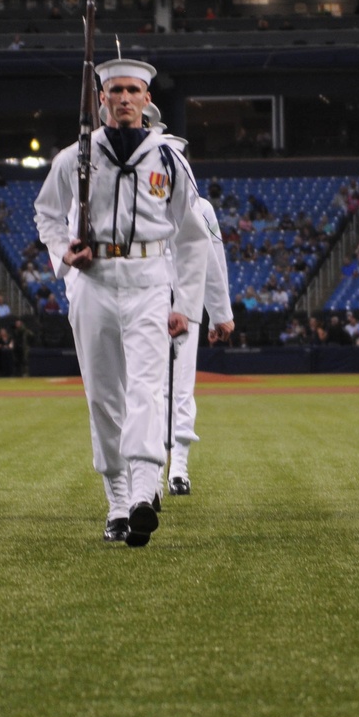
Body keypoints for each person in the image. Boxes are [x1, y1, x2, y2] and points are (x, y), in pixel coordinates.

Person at [34, 57, 210, 547]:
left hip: (150, 280)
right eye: (116, 91)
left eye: (134, 90)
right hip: (94, 283)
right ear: (102, 99)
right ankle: (115, 499)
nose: (125, 99)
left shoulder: (169, 160)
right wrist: (63, 251)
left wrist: (186, 305)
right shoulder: (76, 156)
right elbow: (46, 214)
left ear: (147, 100)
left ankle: (141, 491)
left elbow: (194, 238)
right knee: (104, 395)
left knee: (148, 392)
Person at [143, 105, 234, 496]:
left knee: (179, 387)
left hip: (183, 301)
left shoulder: (200, 206)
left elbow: (212, 259)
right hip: (141, 297)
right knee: (146, 389)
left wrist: (220, 312)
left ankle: (177, 467)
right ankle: (150, 470)